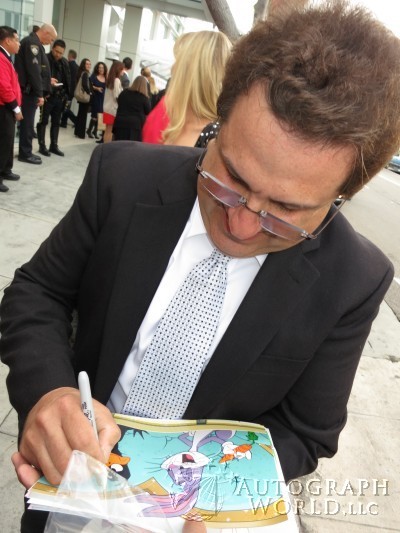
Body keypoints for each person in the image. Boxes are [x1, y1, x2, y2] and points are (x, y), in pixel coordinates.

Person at [1, 2, 400, 531]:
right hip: (68, 490)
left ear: (340, 197)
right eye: (231, 177)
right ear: (218, 121)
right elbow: (37, 292)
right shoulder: (122, 178)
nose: (241, 225)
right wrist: (49, 392)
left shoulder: (354, 278)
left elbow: (307, 432)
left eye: (285, 210)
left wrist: (210, 497)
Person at [142, 31, 231, 147]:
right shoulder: (175, 123)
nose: (172, 68)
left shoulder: (215, 139)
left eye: (178, 61)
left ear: (190, 73)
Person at [14, 23, 57, 165]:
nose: (51, 42)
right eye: (51, 39)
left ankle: (26, 151)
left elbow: (38, 70)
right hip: (29, 91)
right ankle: (25, 153)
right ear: (46, 33)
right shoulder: (33, 44)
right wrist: (39, 94)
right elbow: (33, 71)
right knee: (27, 123)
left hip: (30, 89)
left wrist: (47, 80)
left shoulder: (35, 43)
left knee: (28, 122)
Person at [36, 39, 71, 157]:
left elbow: (68, 79)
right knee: (43, 121)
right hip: (47, 96)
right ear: (52, 48)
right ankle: (42, 146)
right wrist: (45, 87)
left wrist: (66, 95)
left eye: (61, 53)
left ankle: (54, 145)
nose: (58, 54)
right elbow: (38, 76)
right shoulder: (44, 58)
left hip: (59, 97)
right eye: (56, 51)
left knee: (56, 122)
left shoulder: (64, 62)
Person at [0, 26, 22, 193]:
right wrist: (16, 108)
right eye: (16, 40)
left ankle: (6, 169)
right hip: (4, 108)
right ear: (7, 41)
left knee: (8, 141)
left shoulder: (6, 57)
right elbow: (3, 86)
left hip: (8, 107)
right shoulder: (1, 58)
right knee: (3, 142)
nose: (19, 43)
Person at [113, 75, 151, 141]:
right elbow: (148, 111)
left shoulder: (124, 92)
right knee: (130, 145)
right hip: (134, 126)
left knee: (118, 143)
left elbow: (119, 102)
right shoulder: (144, 97)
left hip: (120, 122)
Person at [103, 60, 124, 143]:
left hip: (107, 107)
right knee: (110, 131)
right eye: (122, 69)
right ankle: (107, 147)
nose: (123, 71)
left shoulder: (110, 79)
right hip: (112, 109)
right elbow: (117, 96)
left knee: (107, 130)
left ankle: (105, 146)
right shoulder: (117, 80)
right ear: (118, 69)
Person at [87, 61, 107, 139]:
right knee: (94, 115)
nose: (101, 69)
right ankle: (89, 130)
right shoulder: (94, 76)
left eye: (102, 68)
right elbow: (90, 85)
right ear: (97, 68)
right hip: (95, 98)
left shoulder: (106, 77)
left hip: (103, 99)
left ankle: (95, 132)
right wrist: (96, 88)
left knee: (100, 116)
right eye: (99, 67)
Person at [74, 58, 92, 139]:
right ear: (83, 65)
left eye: (89, 64)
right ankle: (81, 134)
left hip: (81, 97)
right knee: (83, 115)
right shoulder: (85, 74)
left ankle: (77, 132)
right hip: (85, 97)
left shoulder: (81, 72)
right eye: (87, 64)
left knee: (80, 114)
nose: (88, 65)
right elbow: (85, 85)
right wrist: (89, 92)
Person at [60, 49, 78, 128]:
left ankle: (76, 120)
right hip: (73, 91)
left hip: (66, 90)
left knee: (64, 107)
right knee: (67, 106)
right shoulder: (77, 67)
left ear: (69, 56)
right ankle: (63, 122)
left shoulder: (67, 65)